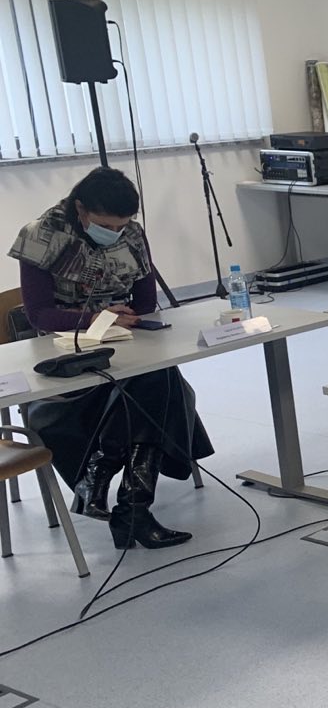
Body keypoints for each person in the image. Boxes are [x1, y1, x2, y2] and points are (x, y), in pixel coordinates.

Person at [9, 167, 212, 548]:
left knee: (158, 375)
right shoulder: (41, 235)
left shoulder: (132, 233)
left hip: (123, 343)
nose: (116, 232)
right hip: (65, 355)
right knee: (158, 385)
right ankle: (130, 508)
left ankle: (105, 482)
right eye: (105, 225)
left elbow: (146, 302)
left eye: (122, 225)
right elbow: (39, 315)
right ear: (80, 209)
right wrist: (97, 317)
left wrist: (123, 317)